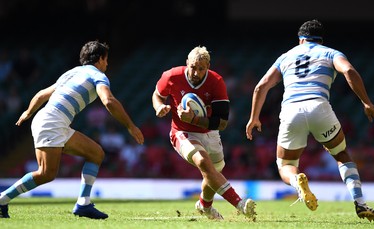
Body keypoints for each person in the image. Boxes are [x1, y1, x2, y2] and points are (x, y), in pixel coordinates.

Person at [245, 19, 374, 222]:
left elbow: (261, 86)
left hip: (291, 111)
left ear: (301, 40)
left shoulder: (286, 56)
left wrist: (254, 118)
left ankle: (296, 181)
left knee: (286, 164)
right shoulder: (331, 53)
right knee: (341, 154)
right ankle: (360, 204)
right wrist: (367, 103)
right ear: (321, 39)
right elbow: (349, 71)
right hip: (319, 107)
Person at [0, 40, 144, 219]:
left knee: (96, 153)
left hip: (52, 121)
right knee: (45, 173)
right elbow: (108, 101)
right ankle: (2, 199)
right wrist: (131, 126)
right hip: (52, 122)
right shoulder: (98, 75)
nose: (107, 63)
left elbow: (41, 94)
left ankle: (83, 204)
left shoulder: (73, 72)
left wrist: (27, 113)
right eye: (106, 59)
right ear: (100, 58)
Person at [152, 46, 256, 221]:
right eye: (193, 67)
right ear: (187, 63)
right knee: (203, 162)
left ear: (208, 66)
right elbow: (157, 94)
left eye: (201, 68)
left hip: (210, 133)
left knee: (213, 173)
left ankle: (204, 205)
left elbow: (222, 123)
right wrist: (159, 107)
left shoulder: (216, 82)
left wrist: (194, 119)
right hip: (182, 132)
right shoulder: (171, 76)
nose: (195, 72)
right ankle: (240, 204)